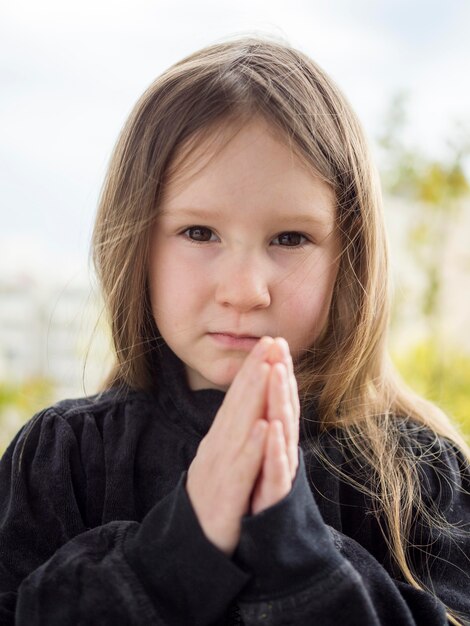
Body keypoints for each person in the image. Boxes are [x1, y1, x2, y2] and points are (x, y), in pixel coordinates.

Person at [1, 36, 469, 626]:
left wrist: (293, 541)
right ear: (135, 244)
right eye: (199, 233)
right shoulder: (61, 458)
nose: (246, 290)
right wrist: (183, 543)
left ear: (347, 260)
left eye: (291, 238)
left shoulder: (417, 476)